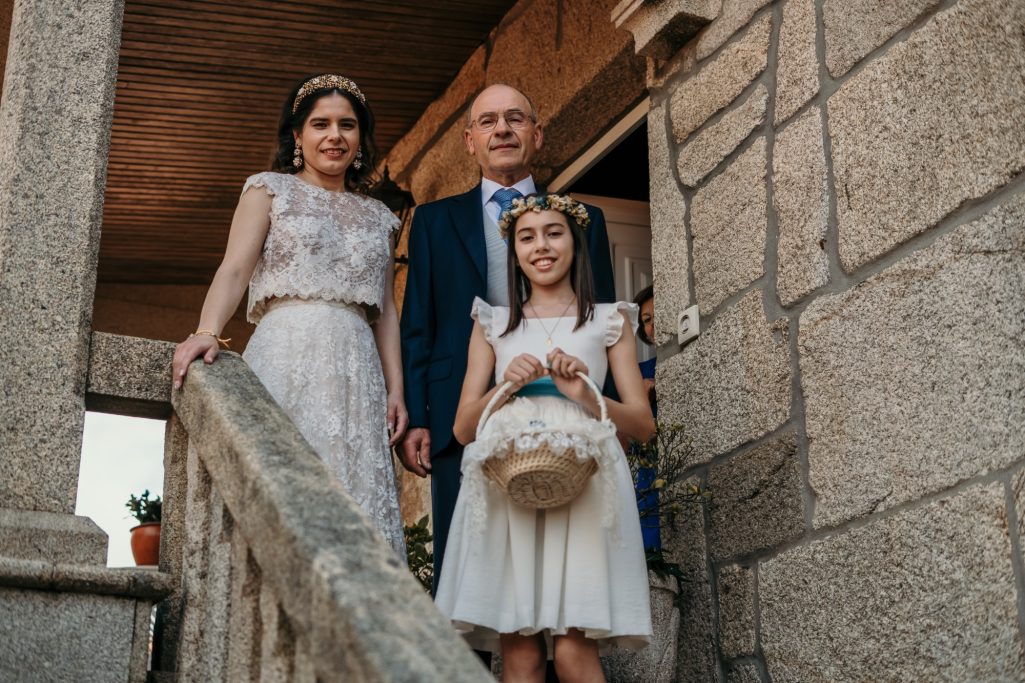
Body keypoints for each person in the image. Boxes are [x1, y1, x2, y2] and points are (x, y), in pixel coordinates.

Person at [171, 74, 407, 555]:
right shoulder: (268, 191)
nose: (334, 136)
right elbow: (234, 269)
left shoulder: (381, 218)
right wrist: (207, 330)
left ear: (361, 138)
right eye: (321, 124)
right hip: (288, 349)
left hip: (357, 366)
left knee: (354, 493)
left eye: (347, 125)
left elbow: (385, 313)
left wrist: (396, 389)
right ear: (298, 135)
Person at [399, 84, 616, 593]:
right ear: (469, 140)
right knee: (466, 569)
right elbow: (418, 324)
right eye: (488, 121)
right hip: (461, 413)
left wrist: (608, 414)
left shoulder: (584, 221)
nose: (502, 130)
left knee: (562, 572)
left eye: (515, 119)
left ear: (536, 135)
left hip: (562, 409)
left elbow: (602, 317)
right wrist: (420, 418)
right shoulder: (432, 221)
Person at [435, 193, 654, 682]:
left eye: (554, 233)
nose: (541, 247)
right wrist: (506, 387)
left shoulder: (609, 320)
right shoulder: (492, 325)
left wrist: (585, 392)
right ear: (514, 252)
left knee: (575, 653)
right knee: (522, 656)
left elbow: (642, 425)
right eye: (527, 238)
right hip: (509, 486)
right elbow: (463, 427)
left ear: (574, 242)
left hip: (585, 487)